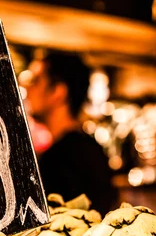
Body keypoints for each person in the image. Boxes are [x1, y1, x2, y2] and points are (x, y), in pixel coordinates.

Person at [25, 52, 116, 215]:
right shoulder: (90, 149)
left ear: (58, 92)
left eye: (36, 81)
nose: (27, 88)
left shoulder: (62, 158)